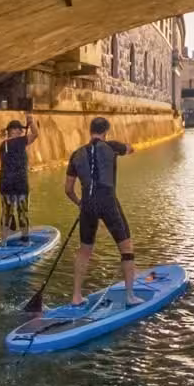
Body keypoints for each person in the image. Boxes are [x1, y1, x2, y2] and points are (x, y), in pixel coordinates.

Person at [64, 116, 137, 305]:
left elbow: (68, 189)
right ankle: (130, 296)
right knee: (126, 247)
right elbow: (131, 149)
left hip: (88, 204)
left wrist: (80, 203)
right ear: (106, 131)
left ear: (90, 131)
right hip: (107, 202)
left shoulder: (76, 154)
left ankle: (76, 296)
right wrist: (123, 148)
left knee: (84, 251)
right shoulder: (112, 146)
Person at [0, 117, 37, 241]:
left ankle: (4, 241)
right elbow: (35, 134)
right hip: (20, 183)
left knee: (6, 213)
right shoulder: (20, 141)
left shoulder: (2, 146)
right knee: (22, 213)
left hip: (5, 184)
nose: (21, 132)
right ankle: (25, 241)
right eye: (20, 130)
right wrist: (31, 121)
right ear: (18, 131)